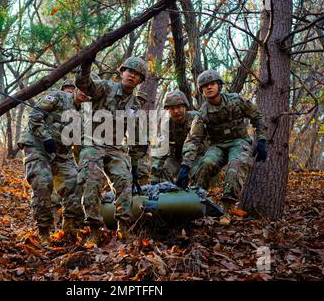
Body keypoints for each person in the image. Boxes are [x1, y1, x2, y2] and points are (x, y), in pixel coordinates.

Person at [176, 69, 268, 225]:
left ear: (219, 85)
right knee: (206, 164)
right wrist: (185, 166)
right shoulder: (202, 114)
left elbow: (257, 116)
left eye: (212, 84)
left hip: (239, 141)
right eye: (204, 86)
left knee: (235, 166)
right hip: (217, 146)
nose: (209, 88)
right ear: (202, 91)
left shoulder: (236, 100)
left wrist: (262, 140)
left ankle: (227, 210)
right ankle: (195, 203)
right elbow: (193, 139)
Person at [75, 55, 148, 245]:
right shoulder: (105, 87)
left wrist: (136, 164)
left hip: (116, 148)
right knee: (92, 181)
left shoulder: (135, 105)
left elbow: (136, 137)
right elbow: (86, 85)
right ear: (122, 72)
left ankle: (123, 228)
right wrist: (85, 65)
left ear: (140, 80)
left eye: (137, 74)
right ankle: (94, 231)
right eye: (130, 71)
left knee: (125, 181)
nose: (132, 76)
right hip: (93, 142)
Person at [17, 88, 90, 244]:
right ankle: (44, 231)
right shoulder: (58, 96)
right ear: (77, 87)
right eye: (84, 88)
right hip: (37, 145)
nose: (86, 93)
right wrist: (46, 137)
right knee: (43, 183)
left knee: (75, 182)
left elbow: (78, 144)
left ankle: (69, 227)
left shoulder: (84, 115)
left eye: (90, 92)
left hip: (61, 154)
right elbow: (35, 115)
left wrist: (83, 165)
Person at [150, 90, 203, 184]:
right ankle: (167, 195)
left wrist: (185, 166)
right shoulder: (165, 124)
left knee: (195, 174)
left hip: (197, 156)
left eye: (179, 107)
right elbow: (158, 149)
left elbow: (193, 143)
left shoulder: (195, 118)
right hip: (176, 157)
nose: (176, 111)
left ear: (185, 107)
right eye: (172, 108)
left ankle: (196, 196)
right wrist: (155, 174)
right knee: (166, 171)